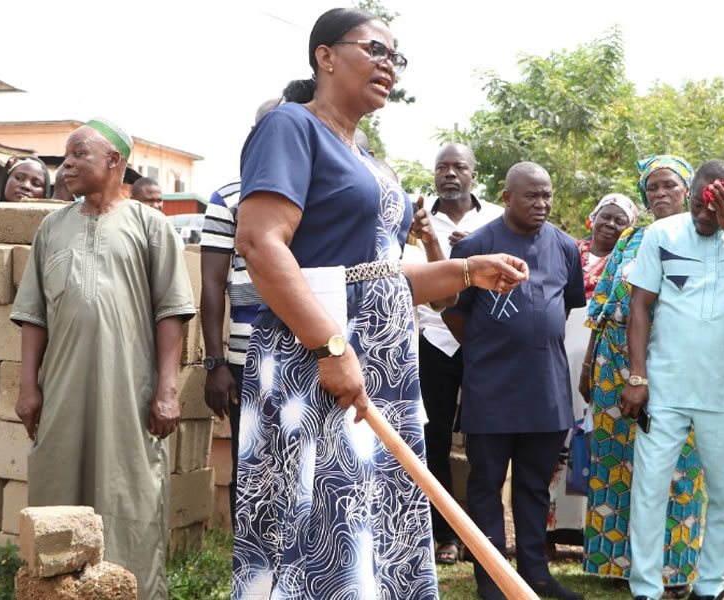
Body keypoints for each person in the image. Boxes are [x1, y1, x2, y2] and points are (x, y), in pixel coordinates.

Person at [230, 8, 528, 599]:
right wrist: (331, 344)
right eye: (376, 50)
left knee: (378, 522)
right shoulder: (293, 127)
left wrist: (466, 270)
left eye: (397, 57)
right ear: (325, 56)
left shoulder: (372, 161)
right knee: (322, 524)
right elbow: (260, 244)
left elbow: (380, 280)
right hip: (315, 363)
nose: (389, 66)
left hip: (382, 366)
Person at [11, 118, 196, 600]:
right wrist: (28, 387)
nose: (66, 164)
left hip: (129, 390)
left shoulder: (150, 225)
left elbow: (172, 313)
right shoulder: (52, 228)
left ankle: (131, 590)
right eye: (65, 156)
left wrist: (167, 389)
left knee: (129, 494)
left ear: (115, 162)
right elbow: (33, 315)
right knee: (56, 491)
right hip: (63, 388)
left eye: (78, 154)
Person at [623, 159, 724, 600]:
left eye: (716, 205)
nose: (704, 215)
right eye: (699, 203)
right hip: (665, 389)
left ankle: (710, 586)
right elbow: (640, 307)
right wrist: (637, 375)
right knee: (649, 492)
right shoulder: (661, 234)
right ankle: (646, 589)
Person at [443, 162, 586, 600]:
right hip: (491, 390)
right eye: (531, 196)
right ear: (507, 197)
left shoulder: (565, 246)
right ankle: (491, 579)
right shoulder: (475, 245)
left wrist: (531, 339)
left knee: (533, 486)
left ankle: (536, 575)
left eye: (547, 196)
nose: (541, 204)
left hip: (546, 392)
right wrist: (490, 348)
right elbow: (453, 311)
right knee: (485, 487)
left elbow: (563, 309)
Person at [579, 155, 705, 593]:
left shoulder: (700, 238)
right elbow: (603, 303)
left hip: (671, 363)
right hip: (613, 363)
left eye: (669, 185)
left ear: (687, 189)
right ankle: (618, 563)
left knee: (673, 465)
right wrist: (589, 362)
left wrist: (646, 374)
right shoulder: (631, 237)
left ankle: (672, 571)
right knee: (618, 463)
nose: (659, 194)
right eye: (652, 188)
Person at [414, 141, 504, 566]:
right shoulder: (415, 218)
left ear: (473, 174)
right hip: (431, 339)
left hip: (481, 340)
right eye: (442, 167)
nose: (450, 174)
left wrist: (478, 249)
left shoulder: (495, 220)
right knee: (432, 440)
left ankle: (485, 536)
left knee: (486, 438)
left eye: (459, 167)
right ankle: (443, 533)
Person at [199, 98, 279, 528]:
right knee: (249, 464)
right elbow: (212, 284)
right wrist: (214, 364)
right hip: (244, 358)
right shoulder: (228, 196)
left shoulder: (317, 192)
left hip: (308, 351)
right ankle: (249, 571)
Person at [548, 192, 635, 542]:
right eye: (606, 217)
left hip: (602, 355)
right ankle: (553, 525)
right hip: (560, 347)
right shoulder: (569, 252)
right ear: (593, 217)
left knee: (592, 432)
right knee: (557, 433)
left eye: (620, 221)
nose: (611, 225)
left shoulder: (627, 262)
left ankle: (586, 528)